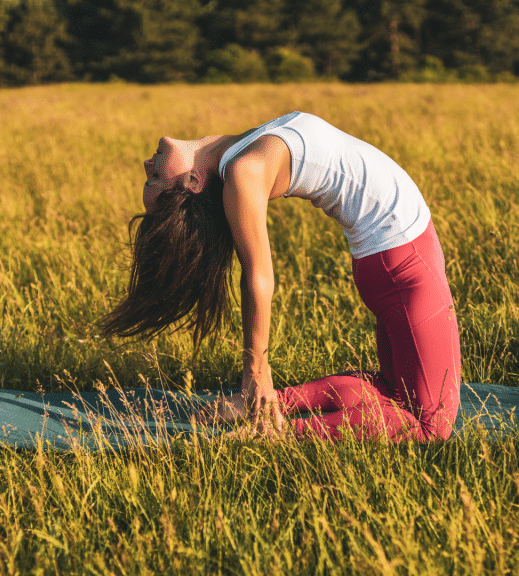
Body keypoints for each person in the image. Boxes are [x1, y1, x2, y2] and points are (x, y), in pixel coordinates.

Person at [100, 111, 461, 441]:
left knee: (392, 392)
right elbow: (258, 274)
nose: (148, 164)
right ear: (193, 180)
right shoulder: (243, 170)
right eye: (156, 177)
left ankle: (271, 404)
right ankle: (278, 434)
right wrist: (255, 370)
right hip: (406, 264)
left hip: (391, 261)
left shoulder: (235, 152)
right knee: (432, 425)